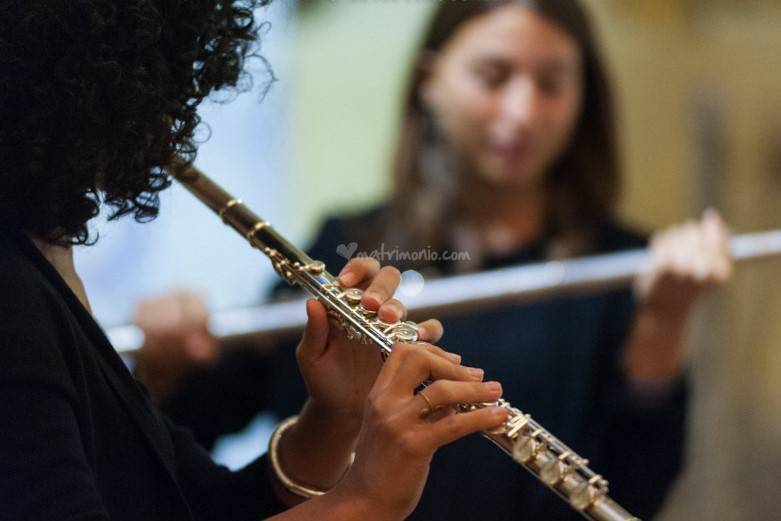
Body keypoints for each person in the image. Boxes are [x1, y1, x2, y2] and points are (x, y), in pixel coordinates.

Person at [135, 1, 733, 520]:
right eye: (493, 76)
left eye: (551, 84)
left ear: (583, 99)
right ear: (431, 79)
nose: (521, 112)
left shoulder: (624, 266)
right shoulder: (346, 245)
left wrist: (661, 327)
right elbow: (202, 431)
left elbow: (638, 491)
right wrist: (166, 370)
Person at [0, 2, 511, 520]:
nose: (170, 113)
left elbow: (196, 504)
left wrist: (333, 420)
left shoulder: (41, 260)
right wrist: (366, 500)